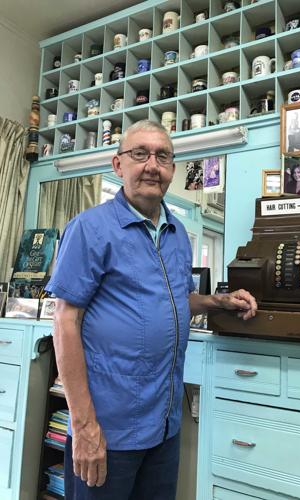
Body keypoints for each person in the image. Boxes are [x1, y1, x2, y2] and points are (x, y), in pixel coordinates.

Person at [46, 120, 257, 500]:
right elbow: (65, 321)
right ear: (118, 165)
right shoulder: (89, 229)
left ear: (173, 170)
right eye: (139, 153)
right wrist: (84, 426)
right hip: (109, 429)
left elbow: (173, 300)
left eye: (162, 156)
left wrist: (215, 301)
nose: (151, 165)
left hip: (164, 427)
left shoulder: (177, 236)